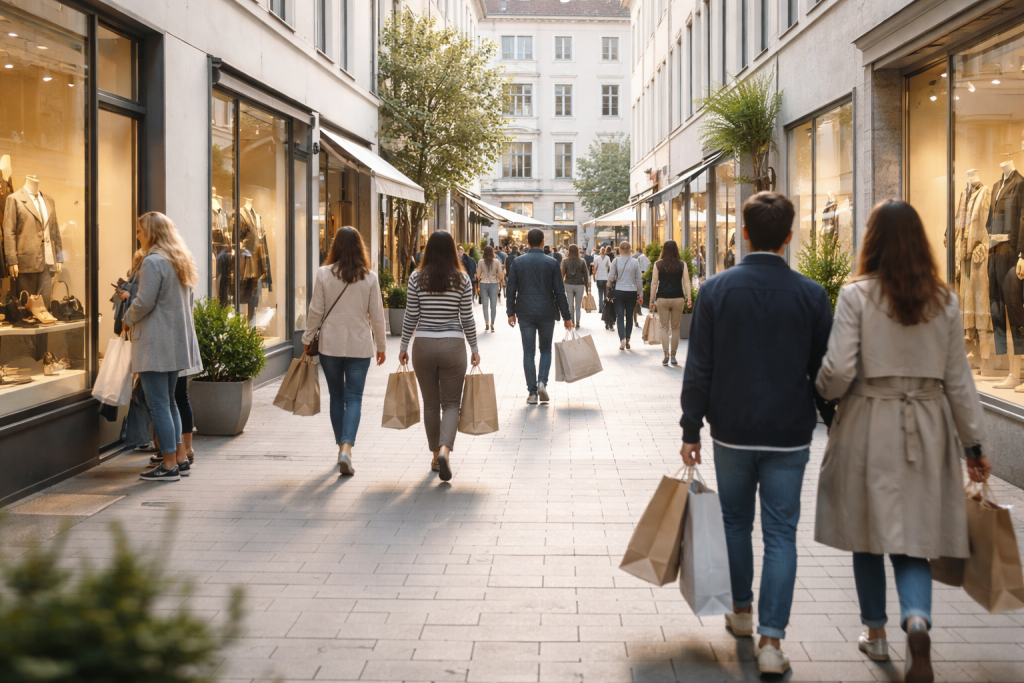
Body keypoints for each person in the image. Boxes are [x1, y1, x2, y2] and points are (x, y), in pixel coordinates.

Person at [814, 200, 992, 683]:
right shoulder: (946, 301)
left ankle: (876, 633)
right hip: (928, 428)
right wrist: (974, 447)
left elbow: (839, 370)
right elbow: (960, 381)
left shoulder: (857, 296)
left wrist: (823, 392)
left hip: (869, 423)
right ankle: (917, 620)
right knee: (914, 540)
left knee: (866, 535)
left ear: (871, 240)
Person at [679, 192, 835, 676]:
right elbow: (825, 372)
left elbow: (699, 365)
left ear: (745, 233)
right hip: (790, 433)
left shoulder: (717, 291)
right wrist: (834, 422)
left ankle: (741, 613)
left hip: (733, 430)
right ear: (789, 237)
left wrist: (690, 428)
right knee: (782, 534)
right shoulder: (811, 295)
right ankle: (772, 642)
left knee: (734, 523)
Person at [122, 212, 202, 483]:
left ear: (152, 233)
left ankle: (168, 464)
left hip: (155, 344)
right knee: (169, 403)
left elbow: (144, 302)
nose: (137, 236)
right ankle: (179, 458)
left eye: (140, 231)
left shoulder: (153, 261)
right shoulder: (179, 260)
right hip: (174, 343)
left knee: (158, 405)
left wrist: (126, 317)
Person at [302, 226, 387, 476]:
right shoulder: (370, 277)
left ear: (335, 246)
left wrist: (307, 339)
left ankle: (341, 448)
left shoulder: (323, 273)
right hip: (360, 345)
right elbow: (378, 316)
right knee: (355, 398)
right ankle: (347, 449)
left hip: (330, 344)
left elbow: (315, 310)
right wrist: (381, 346)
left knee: (337, 397)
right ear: (360, 247)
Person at [399, 231, 480, 482]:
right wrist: (474, 347)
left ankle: (435, 455)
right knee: (452, 404)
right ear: (453, 251)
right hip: (453, 345)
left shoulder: (416, 277)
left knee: (431, 404)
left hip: (422, 344)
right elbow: (466, 316)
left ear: (429, 250)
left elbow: (411, 315)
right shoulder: (462, 279)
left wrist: (403, 345)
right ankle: (446, 449)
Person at [505, 228, 573, 404]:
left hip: (525, 311)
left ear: (527, 242)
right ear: (543, 242)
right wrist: (567, 316)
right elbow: (559, 292)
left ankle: (533, 393)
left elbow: (511, 289)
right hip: (546, 311)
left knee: (528, 352)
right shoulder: (551, 263)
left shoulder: (518, 262)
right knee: (545, 349)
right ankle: (542, 382)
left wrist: (510, 313)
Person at [650, 240, 692, 366]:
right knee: (675, 328)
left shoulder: (658, 264)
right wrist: (689, 298)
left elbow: (654, 284)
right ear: (676, 249)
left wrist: (651, 300)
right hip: (678, 298)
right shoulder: (682, 264)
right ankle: (673, 355)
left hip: (662, 298)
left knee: (664, 328)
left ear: (663, 249)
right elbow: (686, 283)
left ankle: (666, 355)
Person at [608, 241, 644, 349]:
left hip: (619, 291)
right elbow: (638, 279)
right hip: (631, 292)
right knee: (629, 317)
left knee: (620, 316)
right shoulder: (635, 262)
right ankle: (628, 339)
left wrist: (610, 284)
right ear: (630, 249)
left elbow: (610, 277)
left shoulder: (616, 260)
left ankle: (622, 339)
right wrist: (640, 294)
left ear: (619, 249)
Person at [560, 244, 590, 328]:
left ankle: (572, 322)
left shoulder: (565, 261)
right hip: (579, 285)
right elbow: (585, 275)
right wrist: (587, 287)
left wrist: (560, 286)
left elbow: (562, 274)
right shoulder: (582, 261)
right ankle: (578, 322)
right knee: (578, 306)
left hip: (568, 284)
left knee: (570, 305)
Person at [477, 245, 504, 332]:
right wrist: (499, 280)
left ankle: (487, 323)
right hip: (494, 283)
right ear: (492, 252)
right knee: (493, 305)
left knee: (485, 305)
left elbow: (478, 274)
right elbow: (500, 273)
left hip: (483, 283)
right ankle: (492, 324)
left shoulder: (481, 261)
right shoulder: (497, 262)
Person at [593, 247, 612, 320]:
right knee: (605, 294)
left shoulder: (596, 258)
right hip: (605, 278)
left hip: (599, 278)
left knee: (600, 294)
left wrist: (594, 277)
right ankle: (604, 308)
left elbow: (594, 268)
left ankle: (600, 308)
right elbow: (610, 266)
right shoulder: (607, 258)